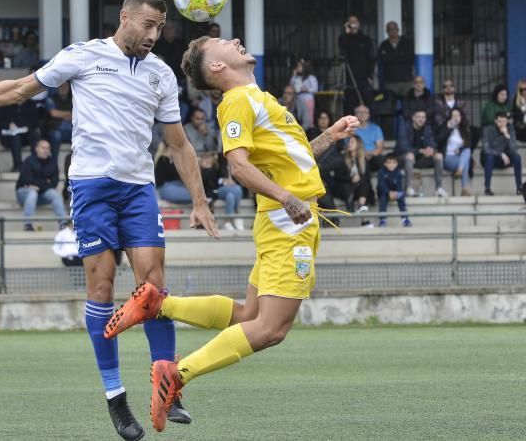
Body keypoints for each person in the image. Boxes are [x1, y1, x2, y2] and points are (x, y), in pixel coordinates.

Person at [0, 0, 219, 441]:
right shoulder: (83, 57)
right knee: (101, 287)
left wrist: (199, 201)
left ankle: (167, 383)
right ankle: (115, 397)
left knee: (154, 287)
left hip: (138, 190)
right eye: (147, 24)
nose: (154, 35)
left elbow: (179, 144)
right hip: (92, 189)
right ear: (124, 16)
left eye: (160, 27)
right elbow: (21, 89)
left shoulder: (161, 74)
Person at [103, 34, 358, 433]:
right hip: (287, 222)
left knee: (249, 316)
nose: (236, 40)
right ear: (218, 68)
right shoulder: (238, 101)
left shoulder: (260, 98)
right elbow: (238, 167)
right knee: (271, 329)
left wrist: (329, 137)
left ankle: (158, 303)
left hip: (287, 218)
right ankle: (177, 374)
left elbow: (289, 160)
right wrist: (286, 199)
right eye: (223, 41)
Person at [15, 139, 67, 231]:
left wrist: (37, 185)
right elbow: (27, 180)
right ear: (36, 149)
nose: (45, 150)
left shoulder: (52, 162)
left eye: (47, 148)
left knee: (54, 194)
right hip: (23, 193)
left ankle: (63, 224)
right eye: (43, 148)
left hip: (42, 194)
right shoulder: (29, 161)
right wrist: (45, 182)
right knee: (32, 193)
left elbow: (54, 182)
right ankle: (27, 224)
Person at [396, 110, 445, 197]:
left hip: (421, 159)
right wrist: (420, 151)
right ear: (413, 118)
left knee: (439, 156)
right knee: (410, 156)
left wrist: (431, 149)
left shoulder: (427, 128)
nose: (421, 119)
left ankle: (438, 188)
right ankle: (408, 188)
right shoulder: (405, 127)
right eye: (418, 117)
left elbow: (433, 143)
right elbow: (403, 147)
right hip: (403, 158)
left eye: (423, 117)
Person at [338, 15, 375, 113]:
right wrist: (347, 32)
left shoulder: (366, 40)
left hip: (363, 76)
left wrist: (370, 75)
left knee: (366, 102)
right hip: (349, 77)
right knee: (350, 103)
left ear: (359, 24)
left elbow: (371, 58)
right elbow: (342, 50)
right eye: (350, 22)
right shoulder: (344, 38)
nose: (353, 24)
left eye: (355, 22)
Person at [481, 112, 522, 196]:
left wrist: (507, 135)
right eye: (500, 121)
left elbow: (514, 150)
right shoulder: (487, 129)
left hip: (505, 160)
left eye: (504, 121)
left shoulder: (510, 129)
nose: (502, 124)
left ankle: (519, 188)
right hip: (489, 159)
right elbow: (486, 149)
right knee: (489, 157)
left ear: (507, 121)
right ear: (495, 121)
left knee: (517, 157)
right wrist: (500, 154)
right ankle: (487, 188)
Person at [332, 136, 374, 213]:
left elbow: (367, 177)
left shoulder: (363, 160)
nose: (349, 144)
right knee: (350, 186)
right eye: (349, 142)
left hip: (359, 189)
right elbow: (338, 176)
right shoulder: (342, 158)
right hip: (345, 188)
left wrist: (359, 178)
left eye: (352, 142)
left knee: (365, 184)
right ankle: (362, 212)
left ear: (358, 145)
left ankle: (361, 206)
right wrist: (351, 179)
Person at [377, 21, 414, 99]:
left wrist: (391, 57)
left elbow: (410, 58)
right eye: (390, 29)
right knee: (390, 105)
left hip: (406, 80)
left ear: (398, 30)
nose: (392, 31)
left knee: (409, 104)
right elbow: (384, 60)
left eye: (394, 29)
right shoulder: (384, 45)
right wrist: (399, 55)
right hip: (391, 81)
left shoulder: (407, 42)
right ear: (387, 31)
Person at [442, 108, 473, 196]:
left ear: (461, 117)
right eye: (453, 116)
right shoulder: (446, 127)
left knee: (467, 150)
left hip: (458, 157)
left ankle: (459, 170)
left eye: (457, 116)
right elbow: (439, 139)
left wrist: (459, 149)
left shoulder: (464, 129)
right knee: (465, 163)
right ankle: (464, 188)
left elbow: (468, 144)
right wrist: (448, 127)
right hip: (447, 157)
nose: (455, 118)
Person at [377, 153, 411, 227]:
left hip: (395, 192)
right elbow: (381, 185)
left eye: (394, 162)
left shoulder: (398, 172)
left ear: (397, 163)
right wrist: (388, 192)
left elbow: (399, 185)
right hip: (384, 192)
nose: (391, 165)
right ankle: (383, 220)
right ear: (385, 164)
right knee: (383, 199)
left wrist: (396, 193)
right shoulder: (381, 172)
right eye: (389, 163)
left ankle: (405, 219)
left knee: (401, 197)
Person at [44, 81, 73, 162]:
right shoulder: (51, 98)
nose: (63, 88)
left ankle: (77, 163)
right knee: (56, 136)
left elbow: (77, 114)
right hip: (56, 128)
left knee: (80, 134)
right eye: (61, 86)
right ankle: (53, 164)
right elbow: (53, 113)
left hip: (70, 129)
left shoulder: (74, 98)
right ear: (57, 88)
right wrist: (68, 114)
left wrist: (62, 115)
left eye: (65, 86)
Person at [352, 104, 385, 172]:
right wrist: (363, 155)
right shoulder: (351, 129)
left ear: (368, 115)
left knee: (381, 159)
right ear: (355, 115)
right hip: (358, 157)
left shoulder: (376, 128)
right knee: (361, 160)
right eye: (359, 112)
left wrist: (368, 154)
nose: (362, 114)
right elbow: (351, 148)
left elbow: (379, 148)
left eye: (364, 112)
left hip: (373, 157)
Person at [289, 58, 318, 130]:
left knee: (308, 117)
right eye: (297, 66)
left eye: (300, 66)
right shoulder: (297, 78)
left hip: (308, 100)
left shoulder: (311, 78)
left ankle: (309, 130)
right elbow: (290, 86)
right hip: (298, 100)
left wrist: (306, 89)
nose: (298, 68)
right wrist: (293, 75)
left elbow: (315, 89)